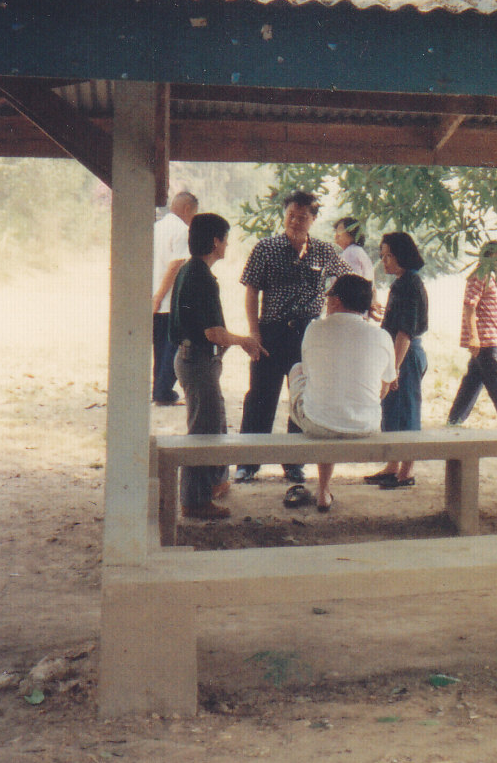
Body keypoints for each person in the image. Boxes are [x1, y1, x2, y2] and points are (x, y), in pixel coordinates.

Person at [234, 190, 351, 484]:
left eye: (302, 217)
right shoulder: (266, 248)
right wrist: (254, 332)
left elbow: (349, 280)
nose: (295, 222)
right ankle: (248, 463)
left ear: (313, 219)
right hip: (271, 332)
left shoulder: (324, 251)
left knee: (302, 397)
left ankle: (295, 463)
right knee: (260, 396)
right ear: (284, 216)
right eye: (291, 216)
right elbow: (251, 290)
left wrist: (345, 307)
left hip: (308, 335)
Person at [168, 212, 266, 520]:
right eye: (225, 239)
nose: (227, 245)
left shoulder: (190, 270)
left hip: (196, 359)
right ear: (215, 241)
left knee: (215, 421)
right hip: (197, 361)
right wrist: (244, 341)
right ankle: (194, 501)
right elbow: (212, 333)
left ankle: (214, 482)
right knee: (203, 432)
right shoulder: (200, 277)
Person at [280, 274, 397, 512]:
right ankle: (323, 491)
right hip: (366, 426)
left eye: (329, 296)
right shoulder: (382, 336)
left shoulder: (314, 329)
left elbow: (309, 373)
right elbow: (386, 386)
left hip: (317, 424)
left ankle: (323, 489)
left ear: (336, 301)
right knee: (335, 398)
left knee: (298, 370)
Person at [363, 233, 430, 489]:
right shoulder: (401, 283)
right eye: (382, 256)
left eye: (388, 255)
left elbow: (405, 332)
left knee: (407, 412)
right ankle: (392, 467)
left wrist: (394, 369)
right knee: (392, 411)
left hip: (405, 355)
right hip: (396, 354)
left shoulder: (409, 284)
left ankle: (406, 472)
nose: (384, 261)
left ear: (402, 255)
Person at [446, 241, 497, 428]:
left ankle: (454, 420)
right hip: (484, 341)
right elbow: (470, 305)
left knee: (473, 381)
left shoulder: (486, 276)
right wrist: (474, 337)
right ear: (491, 256)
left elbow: (484, 310)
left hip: (488, 338)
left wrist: (496, 337)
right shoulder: (481, 275)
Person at [151, 191, 198, 405]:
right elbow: (176, 265)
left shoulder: (156, 227)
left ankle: (159, 390)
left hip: (154, 297)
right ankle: (163, 391)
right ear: (187, 209)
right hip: (168, 298)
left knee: (160, 349)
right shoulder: (182, 231)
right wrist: (160, 295)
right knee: (172, 348)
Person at [333, 216, 375, 281]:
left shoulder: (351, 252)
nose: (336, 235)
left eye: (340, 231)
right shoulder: (357, 251)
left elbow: (352, 282)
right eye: (336, 231)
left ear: (351, 232)